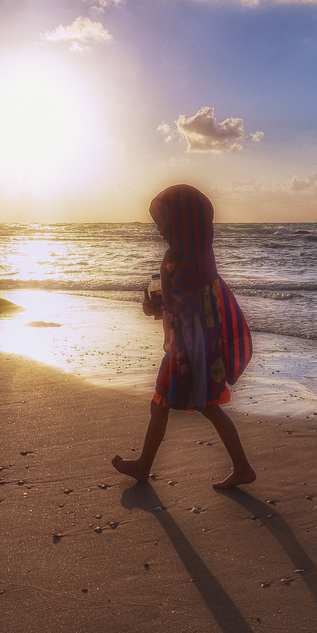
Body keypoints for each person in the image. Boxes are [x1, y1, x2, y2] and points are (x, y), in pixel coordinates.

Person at [112, 184, 255, 489]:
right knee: (189, 405)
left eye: (164, 225)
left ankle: (144, 467)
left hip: (187, 352)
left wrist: (156, 303)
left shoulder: (175, 259)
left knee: (179, 404)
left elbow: (179, 306)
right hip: (204, 347)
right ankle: (240, 467)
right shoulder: (204, 258)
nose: (161, 233)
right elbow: (199, 303)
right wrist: (161, 303)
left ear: (178, 224)